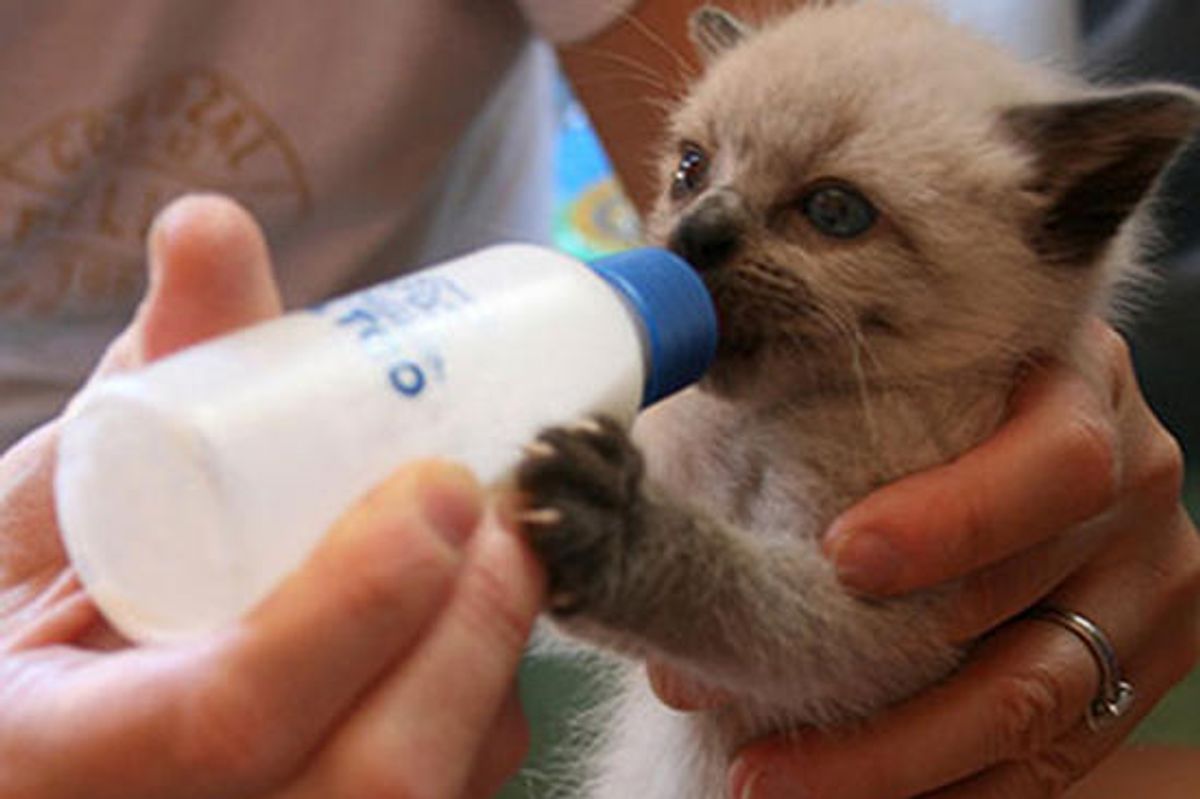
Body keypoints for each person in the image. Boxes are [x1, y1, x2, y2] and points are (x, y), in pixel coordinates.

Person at [0, 3, 1196, 799]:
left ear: (1058, 218)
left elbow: (852, 632)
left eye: (832, 213)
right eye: (692, 167)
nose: (704, 226)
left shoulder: (928, 416)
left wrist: (636, 557)